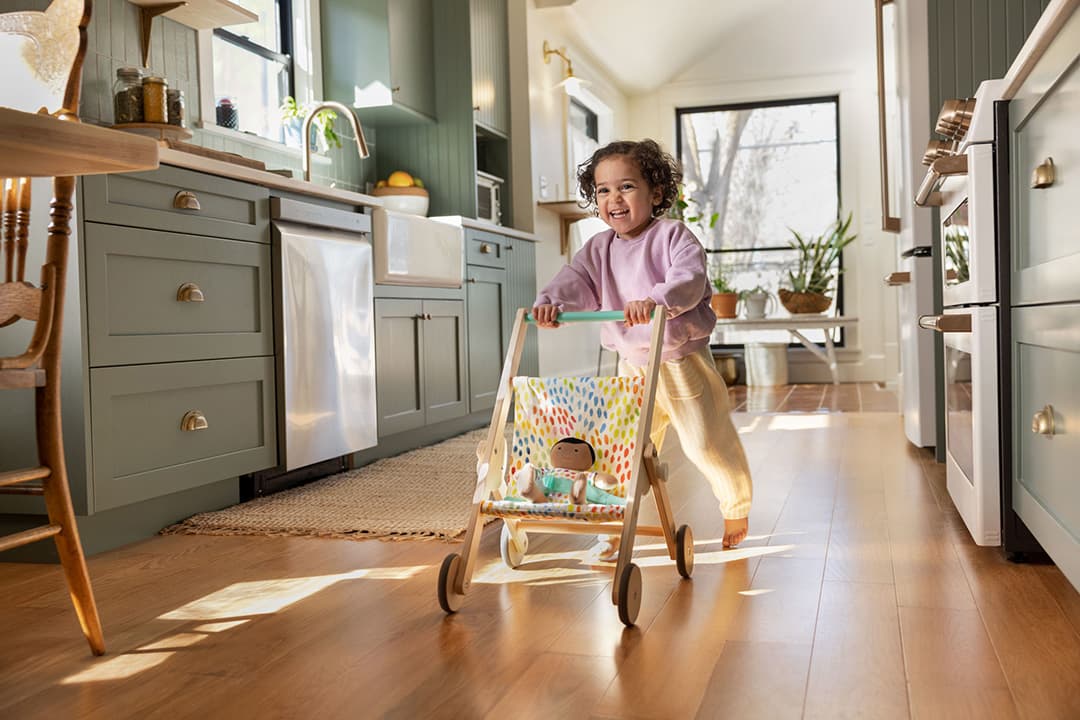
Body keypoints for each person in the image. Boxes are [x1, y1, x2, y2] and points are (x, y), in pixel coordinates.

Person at [531, 139, 753, 556]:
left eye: (627, 187)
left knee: (706, 442)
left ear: (655, 193)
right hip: (632, 366)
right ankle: (614, 521)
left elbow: (688, 280)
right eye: (603, 190)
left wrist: (657, 300)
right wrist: (552, 304)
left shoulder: (673, 236)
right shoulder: (598, 249)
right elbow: (575, 280)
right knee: (622, 448)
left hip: (680, 363)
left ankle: (735, 505)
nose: (614, 199)